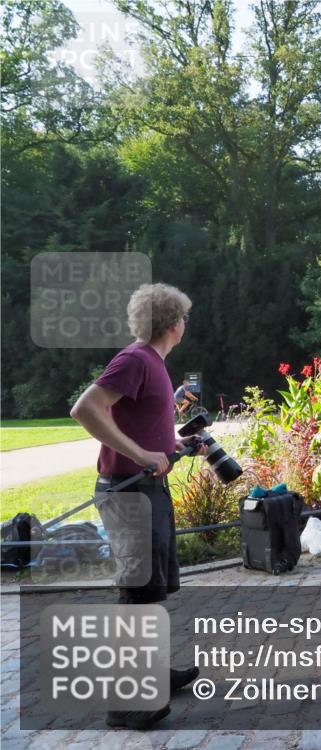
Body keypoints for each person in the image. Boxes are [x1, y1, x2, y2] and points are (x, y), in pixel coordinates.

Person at [70, 282, 205, 730]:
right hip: (127, 490)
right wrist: (143, 455)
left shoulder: (154, 365)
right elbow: (86, 408)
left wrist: (173, 444)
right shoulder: (134, 359)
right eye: (183, 317)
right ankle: (125, 703)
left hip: (148, 489)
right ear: (172, 324)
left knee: (151, 590)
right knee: (137, 592)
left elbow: (142, 426)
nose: (185, 323)